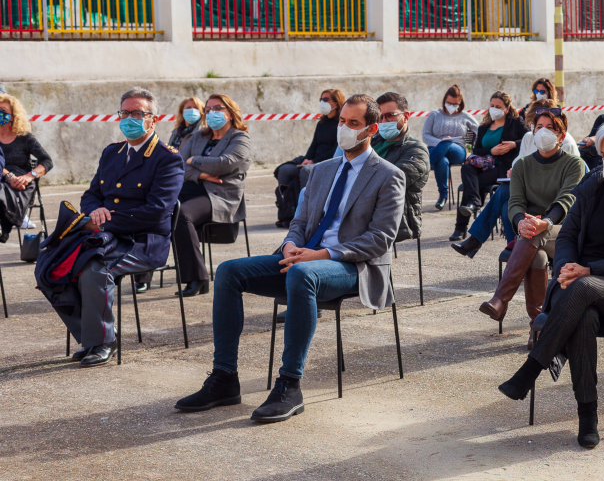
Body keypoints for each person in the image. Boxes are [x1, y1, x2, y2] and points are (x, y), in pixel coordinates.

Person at [175, 94, 406, 423]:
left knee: (303, 275)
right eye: (341, 122)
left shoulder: (388, 175)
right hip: (303, 256)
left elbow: (380, 238)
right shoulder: (321, 171)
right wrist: (290, 247)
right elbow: (297, 223)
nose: (343, 128)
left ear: (371, 129)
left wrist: (320, 254)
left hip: (352, 266)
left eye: (353, 124)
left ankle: (289, 385)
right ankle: (224, 378)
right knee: (228, 272)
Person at [497, 117, 604, 449]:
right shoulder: (593, 183)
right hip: (580, 282)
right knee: (585, 316)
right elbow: (567, 238)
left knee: (583, 289)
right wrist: (564, 268)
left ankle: (530, 371)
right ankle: (587, 415)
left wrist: (587, 270)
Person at [40, 88, 184, 367]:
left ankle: (102, 341)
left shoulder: (168, 158)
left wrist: (106, 217)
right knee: (51, 264)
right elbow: (91, 194)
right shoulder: (112, 152)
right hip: (105, 236)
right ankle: (93, 335)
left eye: (138, 113)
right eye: (125, 113)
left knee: (95, 269)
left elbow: (157, 211)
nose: (129, 118)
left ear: (153, 120)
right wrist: (94, 210)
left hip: (143, 241)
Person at [479, 110, 586, 347]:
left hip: (563, 233)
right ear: (533, 131)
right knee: (534, 252)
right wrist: (521, 222)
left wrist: (544, 223)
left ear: (562, 135)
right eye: (539, 126)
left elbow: (566, 201)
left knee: (531, 237)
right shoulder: (522, 165)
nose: (544, 131)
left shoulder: (574, 164)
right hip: (531, 233)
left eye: (552, 127)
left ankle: (500, 300)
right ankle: (539, 325)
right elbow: (515, 203)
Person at [163, 94, 253, 298]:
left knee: (182, 214)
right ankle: (143, 274)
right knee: (159, 205)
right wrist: (202, 174)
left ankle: (198, 278)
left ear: (230, 113)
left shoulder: (240, 138)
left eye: (217, 108)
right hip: (194, 187)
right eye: (208, 109)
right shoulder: (198, 136)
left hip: (220, 195)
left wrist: (194, 160)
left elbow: (225, 163)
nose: (211, 113)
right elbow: (177, 164)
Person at [452, 91, 526, 241]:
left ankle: (461, 226)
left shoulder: (516, 122)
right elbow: (477, 150)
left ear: (506, 108)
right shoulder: (484, 126)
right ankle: (473, 202)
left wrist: (513, 144)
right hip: (485, 164)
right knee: (466, 168)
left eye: (498, 106)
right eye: (492, 105)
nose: (494, 108)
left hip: (503, 168)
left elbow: (530, 139)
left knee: (471, 184)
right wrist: (491, 151)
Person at [273, 89, 343, 227]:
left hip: (327, 162)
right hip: (313, 160)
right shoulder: (321, 123)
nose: (322, 102)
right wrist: (307, 158)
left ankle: (305, 214)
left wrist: (313, 162)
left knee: (306, 171)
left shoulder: (341, 124)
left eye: (325, 99)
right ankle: (287, 211)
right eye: (321, 99)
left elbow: (336, 150)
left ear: (336, 102)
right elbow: (313, 145)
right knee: (284, 170)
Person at [373, 92, 430, 245]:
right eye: (380, 117)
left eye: (390, 115)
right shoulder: (371, 143)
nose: (384, 121)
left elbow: (393, 180)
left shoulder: (416, 150)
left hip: (395, 218)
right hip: (365, 210)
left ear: (406, 116)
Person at [0, 93, 53, 243]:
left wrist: (29, 176)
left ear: (13, 115)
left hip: (21, 183)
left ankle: (3, 227)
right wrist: (8, 176)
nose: (0, 114)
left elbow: (47, 161)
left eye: (3, 111)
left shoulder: (24, 137)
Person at [423, 85, 479, 211]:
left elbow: (480, 131)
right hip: (437, 148)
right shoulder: (435, 114)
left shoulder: (465, 115)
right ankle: (443, 196)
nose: (452, 106)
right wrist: (440, 141)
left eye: (455, 104)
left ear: (460, 103)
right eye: (449, 103)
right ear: (444, 101)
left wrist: (475, 151)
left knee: (447, 143)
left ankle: (424, 168)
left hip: (457, 150)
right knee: (442, 161)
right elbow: (425, 136)